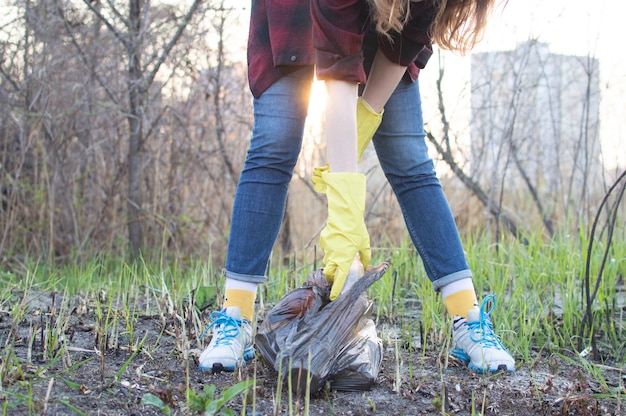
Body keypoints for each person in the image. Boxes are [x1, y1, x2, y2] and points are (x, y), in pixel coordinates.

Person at [198, 0, 515, 375]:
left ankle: (468, 318)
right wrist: (345, 215)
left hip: (384, 21)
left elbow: (405, 42)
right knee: (274, 144)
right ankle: (234, 317)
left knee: (410, 160)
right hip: (294, 13)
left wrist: (366, 119)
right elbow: (339, 77)